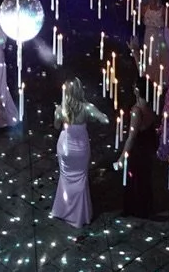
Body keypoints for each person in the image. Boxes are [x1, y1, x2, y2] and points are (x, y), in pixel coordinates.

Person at [50, 78, 107, 228]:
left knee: (65, 176)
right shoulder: (86, 107)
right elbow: (105, 120)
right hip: (81, 148)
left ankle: (62, 210)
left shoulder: (60, 109)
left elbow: (56, 127)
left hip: (65, 148)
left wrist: (59, 116)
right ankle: (79, 216)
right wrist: (92, 119)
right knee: (81, 178)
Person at [114, 78, 158, 218]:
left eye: (134, 87)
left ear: (138, 90)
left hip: (139, 149)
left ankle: (135, 209)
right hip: (148, 146)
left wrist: (121, 158)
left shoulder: (137, 111)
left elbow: (132, 137)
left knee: (134, 178)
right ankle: (145, 207)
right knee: (144, 178)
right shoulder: (150, 106)